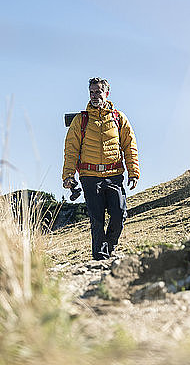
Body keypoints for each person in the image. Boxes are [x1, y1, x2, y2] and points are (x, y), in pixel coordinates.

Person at [62, 77, 139, 260]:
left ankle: (109, 249)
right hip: (89, 176)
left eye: (98, 92)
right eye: (91, 92)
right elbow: (71, 149)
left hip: (114, 175)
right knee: (96, 221)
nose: (94, 95)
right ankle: (100, 258)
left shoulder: (119, 118)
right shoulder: (80, 120)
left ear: (107, 93)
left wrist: (133, 172)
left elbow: (130, 145)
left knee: (119, 214)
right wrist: (68, 175)